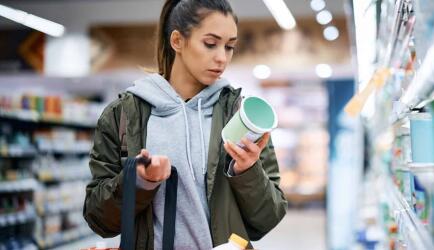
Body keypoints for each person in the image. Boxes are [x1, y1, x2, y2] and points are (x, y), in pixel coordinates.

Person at [83, 0, 288, 249]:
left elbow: (268, 219)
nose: (222, 57)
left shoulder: (240, 116)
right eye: (210, 44)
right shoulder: (123, 115)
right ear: (177, 41)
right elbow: (98, 218)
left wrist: (247, 172)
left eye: (230, 46)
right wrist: (138, 182)